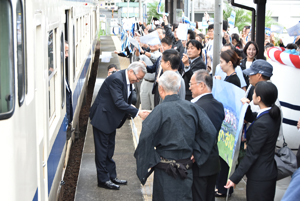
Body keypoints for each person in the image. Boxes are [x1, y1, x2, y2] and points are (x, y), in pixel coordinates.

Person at [134, 71, 217, 201]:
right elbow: (210, 132)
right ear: (178, 88)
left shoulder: (159, 110)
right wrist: (198, 153)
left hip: (164, 168)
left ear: (161, 89)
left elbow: (145, 137)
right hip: (186, 167)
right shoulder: (192, 108)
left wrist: (150, 160)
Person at [89, 62, 150, 190]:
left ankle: (111, 176)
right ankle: (103, 180)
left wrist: (133, 108)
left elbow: (124, 100)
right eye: (138, 78)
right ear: (131, 71)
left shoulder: (126, 79)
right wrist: (138, 113)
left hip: (110, 119)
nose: (138, 81)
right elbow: (119, 102)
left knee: (109, 149)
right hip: (102, 118)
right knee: (102, 151)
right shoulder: (116, 79)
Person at [225, 81, 281, 201]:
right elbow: (254, 117)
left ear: (259, 98)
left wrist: (235, 177)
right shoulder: (272, 114)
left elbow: (252, 154)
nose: (252, 95)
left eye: (254, 93)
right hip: (267, 171)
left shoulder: (263, 124)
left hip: (260, 176)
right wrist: (247, 107)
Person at [189, 70, 225, 201]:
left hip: (198, 163)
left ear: (202, 85)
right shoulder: (219, 106)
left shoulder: (195, 107)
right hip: (213, 162)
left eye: (191, 84)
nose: (189, 87)